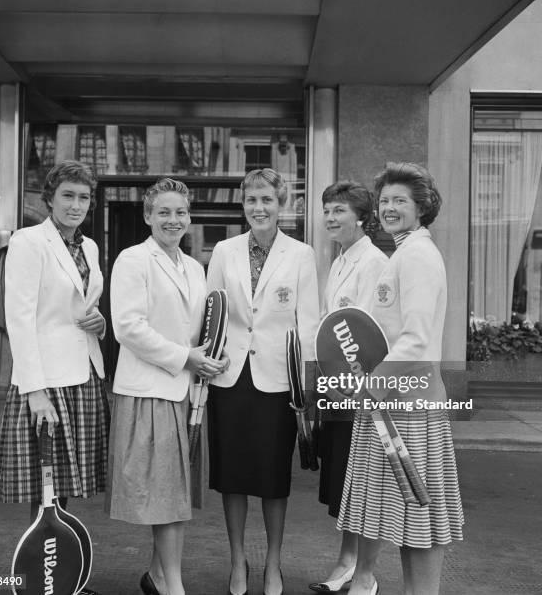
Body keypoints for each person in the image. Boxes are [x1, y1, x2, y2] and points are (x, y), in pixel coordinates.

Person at [336, 162, 464, 595]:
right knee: (413, 522)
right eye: (385, 200)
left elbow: (418, 338)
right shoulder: (405, 251)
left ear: (422, 207)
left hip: (408, 404)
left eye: (400, 201)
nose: (389, 208)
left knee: (422, 519)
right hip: (397, 401)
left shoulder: (419, 255)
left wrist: (372, 384)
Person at [105, 178, 226, 595]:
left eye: (180, 212)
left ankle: (158, 575)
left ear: (189, 217)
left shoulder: (194, 267)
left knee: (173, 492)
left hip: (187, 392)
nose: (173, 220)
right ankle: (173, 585)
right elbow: (128, 328)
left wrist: (210, 357)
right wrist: (185, 357)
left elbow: (202, 331)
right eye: (164, 213)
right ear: (147, 217)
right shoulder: (132, 259)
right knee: (164, 495)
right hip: (148, 391)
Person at [0, 160, 109, 595]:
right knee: (46, 490)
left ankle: (60, 581)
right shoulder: (28, 242)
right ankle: (42, 584)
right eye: (68, 196)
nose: (76, 204)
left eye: (83, 197)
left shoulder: (91, 248)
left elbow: (78, 307)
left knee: (64, 486)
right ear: (50, 198)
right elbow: (19, 319)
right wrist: (35, 390)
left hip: (83, 373)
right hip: (44, 380)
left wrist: (97, 323)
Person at [206, 168, 319, 595]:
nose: (259, 208)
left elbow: (309, 323)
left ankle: (273, 564)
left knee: (273, 478)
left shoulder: (301, 254)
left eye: (267, 200)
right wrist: (204, 364)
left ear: (281, 204)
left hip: (279, 381)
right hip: (229, 378)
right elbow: (211, 310)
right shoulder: (223, 250)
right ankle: (239, 562)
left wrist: (307, 387)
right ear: (243, 204)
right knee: (231, 475)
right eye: (252, 200)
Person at [309, 181, 387, 594]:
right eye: (326, 211)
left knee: (358, 479)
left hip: (359, 390)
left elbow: (370, 335)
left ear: (361, 216)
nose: (330, 218)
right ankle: (347, 562)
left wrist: (351, 384)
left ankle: (359, 572)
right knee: (344, 478)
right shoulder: (339, 261)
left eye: (339, 210)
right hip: (336, 386)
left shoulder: (373, 262)